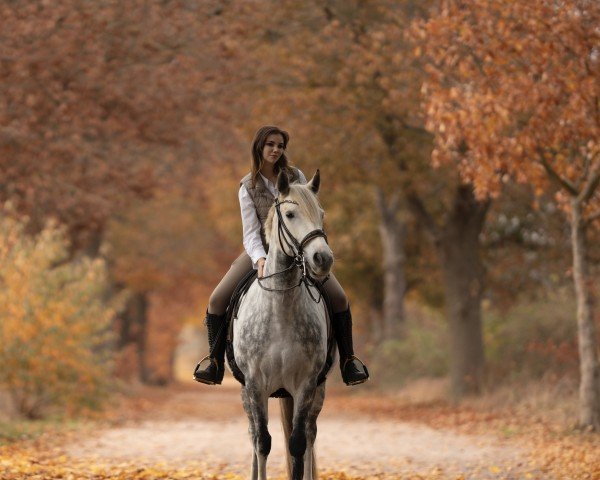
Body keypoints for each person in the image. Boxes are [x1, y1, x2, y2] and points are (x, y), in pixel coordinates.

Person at [193, 125, 369, 386]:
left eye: (280, 145)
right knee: (217, 299)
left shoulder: (297, 176)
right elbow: (251, 233)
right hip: (261, 250)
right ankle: (215, 362)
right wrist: (261, 259)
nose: (276, 149)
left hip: (299, 250)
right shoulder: (246, 187)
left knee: (340, 298)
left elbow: (310, 216)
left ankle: (348, 361)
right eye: (270, 144)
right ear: (259, 147)